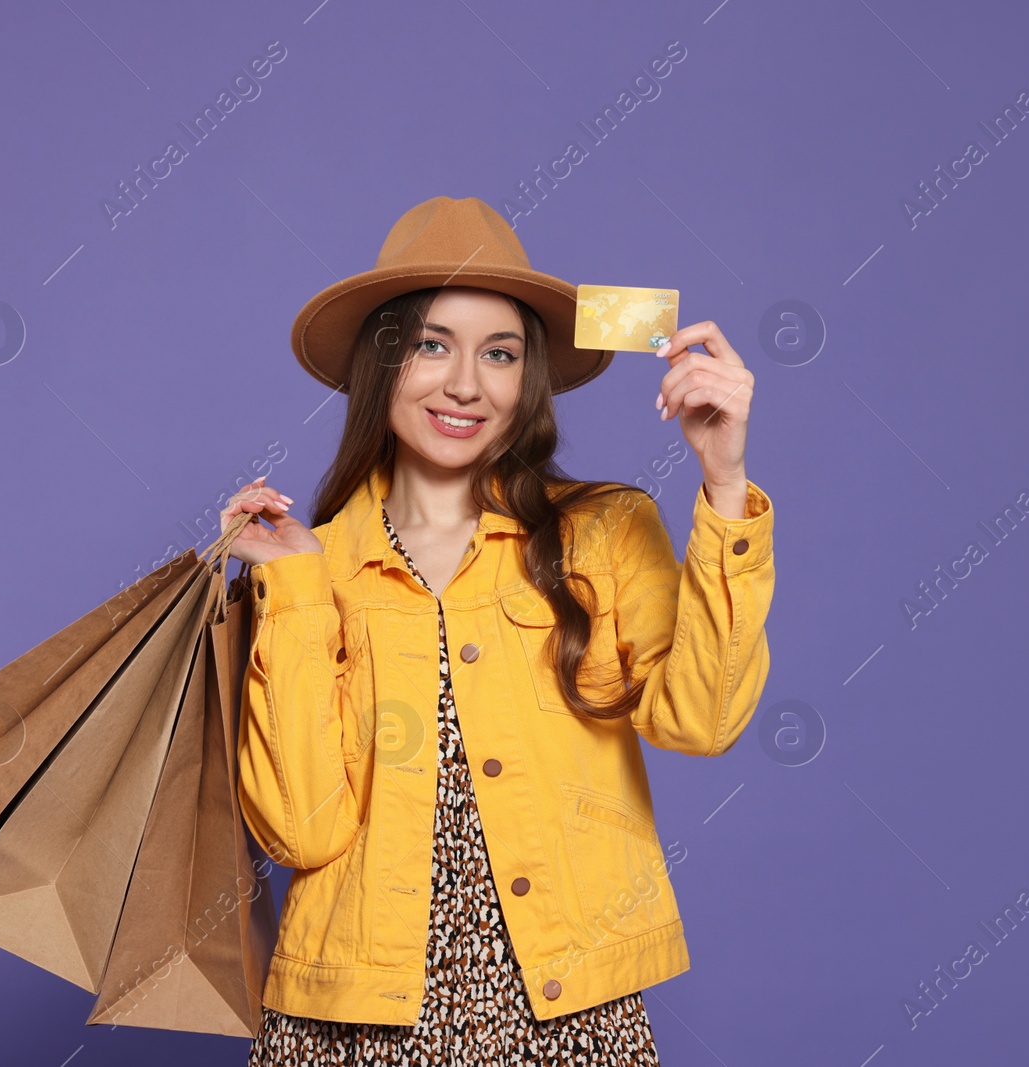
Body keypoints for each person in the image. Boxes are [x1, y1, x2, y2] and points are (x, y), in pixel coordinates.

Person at [221, 196, 775, 1065]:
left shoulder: (607, 529)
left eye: (501, 354)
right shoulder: (309, 568)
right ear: (382, 363)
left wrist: (726, 482)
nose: (466, 384)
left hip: (570, 1015)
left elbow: (701, 722)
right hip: (347, 1024)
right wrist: (291, 585)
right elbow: (303, 831)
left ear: (530, 380)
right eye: (430, 345)